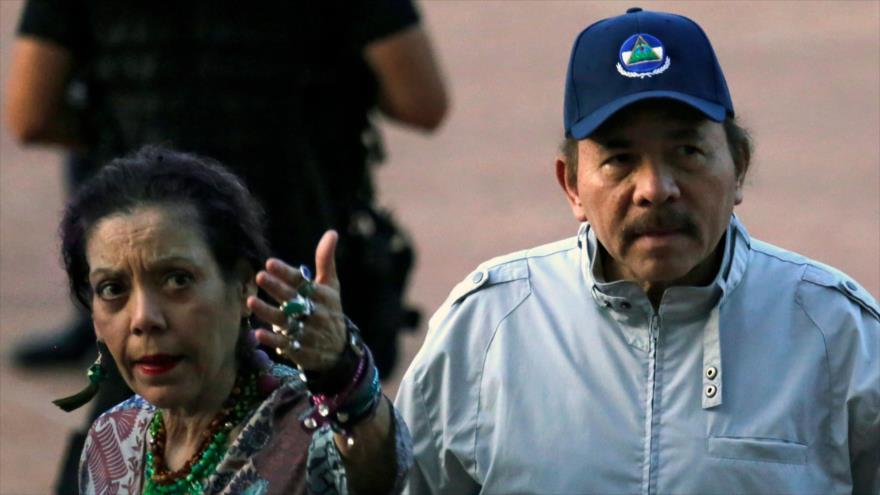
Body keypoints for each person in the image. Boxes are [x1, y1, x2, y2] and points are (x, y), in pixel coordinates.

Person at [395, 7, 879, 495]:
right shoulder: (486, 330)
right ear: (572, 187)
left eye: (687, 152)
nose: (655, 188)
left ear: (739, 167)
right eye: (620, 159)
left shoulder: (838, 334)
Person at [5, 0, 447, 378]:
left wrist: (122, 131)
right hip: (292, 256)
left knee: (135, 452)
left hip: (150, 267)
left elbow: (32, 114)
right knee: (315, 442)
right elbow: (421, 101)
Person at [55, 146, 411, 494]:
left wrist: (343, 373)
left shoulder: (305, 430)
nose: (144, 318)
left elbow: (378, 474)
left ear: (242, 287)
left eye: (178, 280)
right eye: (113, 288)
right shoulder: (114, 438)